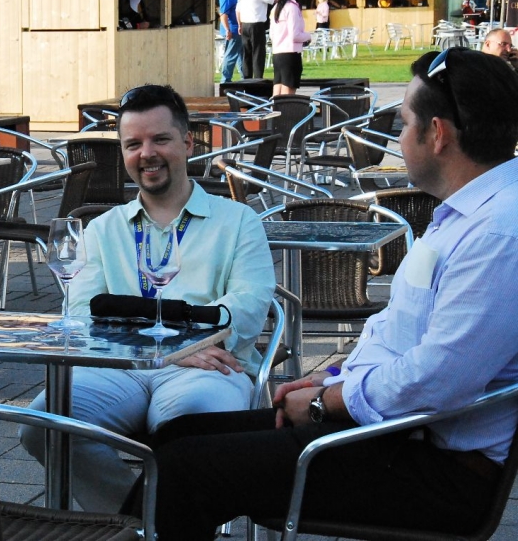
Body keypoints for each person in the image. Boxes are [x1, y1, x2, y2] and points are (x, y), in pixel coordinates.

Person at [136, 48, 518, 541]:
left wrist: (325, 403)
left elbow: (440, 377)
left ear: (438, 134)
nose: (399, 138)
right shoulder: (470, 215)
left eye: (404, 123)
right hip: (397, 434)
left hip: (434, 469)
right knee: (175, 437)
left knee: (184, 470)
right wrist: (332, 376)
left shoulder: (497, 232)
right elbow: (404, 339)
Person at [18, 84, 275, 514]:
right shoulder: (103, 228)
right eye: (133, 144)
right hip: (119, 367)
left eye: (160, 139)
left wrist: (182, 347)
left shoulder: (237, 220)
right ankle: (142, 518)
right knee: (41, 424)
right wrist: (163, 346)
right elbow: (81, 313)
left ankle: (164, 521)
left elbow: (248, 307)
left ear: (188, 142)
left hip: (210, 367)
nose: (147, 154)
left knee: (192, 431)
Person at [269, 0, 310, 96]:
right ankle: (285, 110)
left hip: (277, 53)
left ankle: (275, 109)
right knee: (288, 95)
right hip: (290, 54)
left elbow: (272, 34)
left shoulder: (276, 8)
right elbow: (295, 35)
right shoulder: (292, 7)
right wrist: (308, 36)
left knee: (277, 91)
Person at [235, 0, 276, 79]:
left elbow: (238, 10)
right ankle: (258, 78)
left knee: (247, 53)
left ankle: (247, 78)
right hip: (257, 25)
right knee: (258, 52)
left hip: (245, 24)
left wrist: (239, 24)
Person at [218, 0, 246, 84]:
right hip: (232, 29)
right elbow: (223, 14)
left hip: (239, 28)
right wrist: (227, 30)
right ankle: (225, 80)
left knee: (240, 55)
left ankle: (245, 78)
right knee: (230, 55)